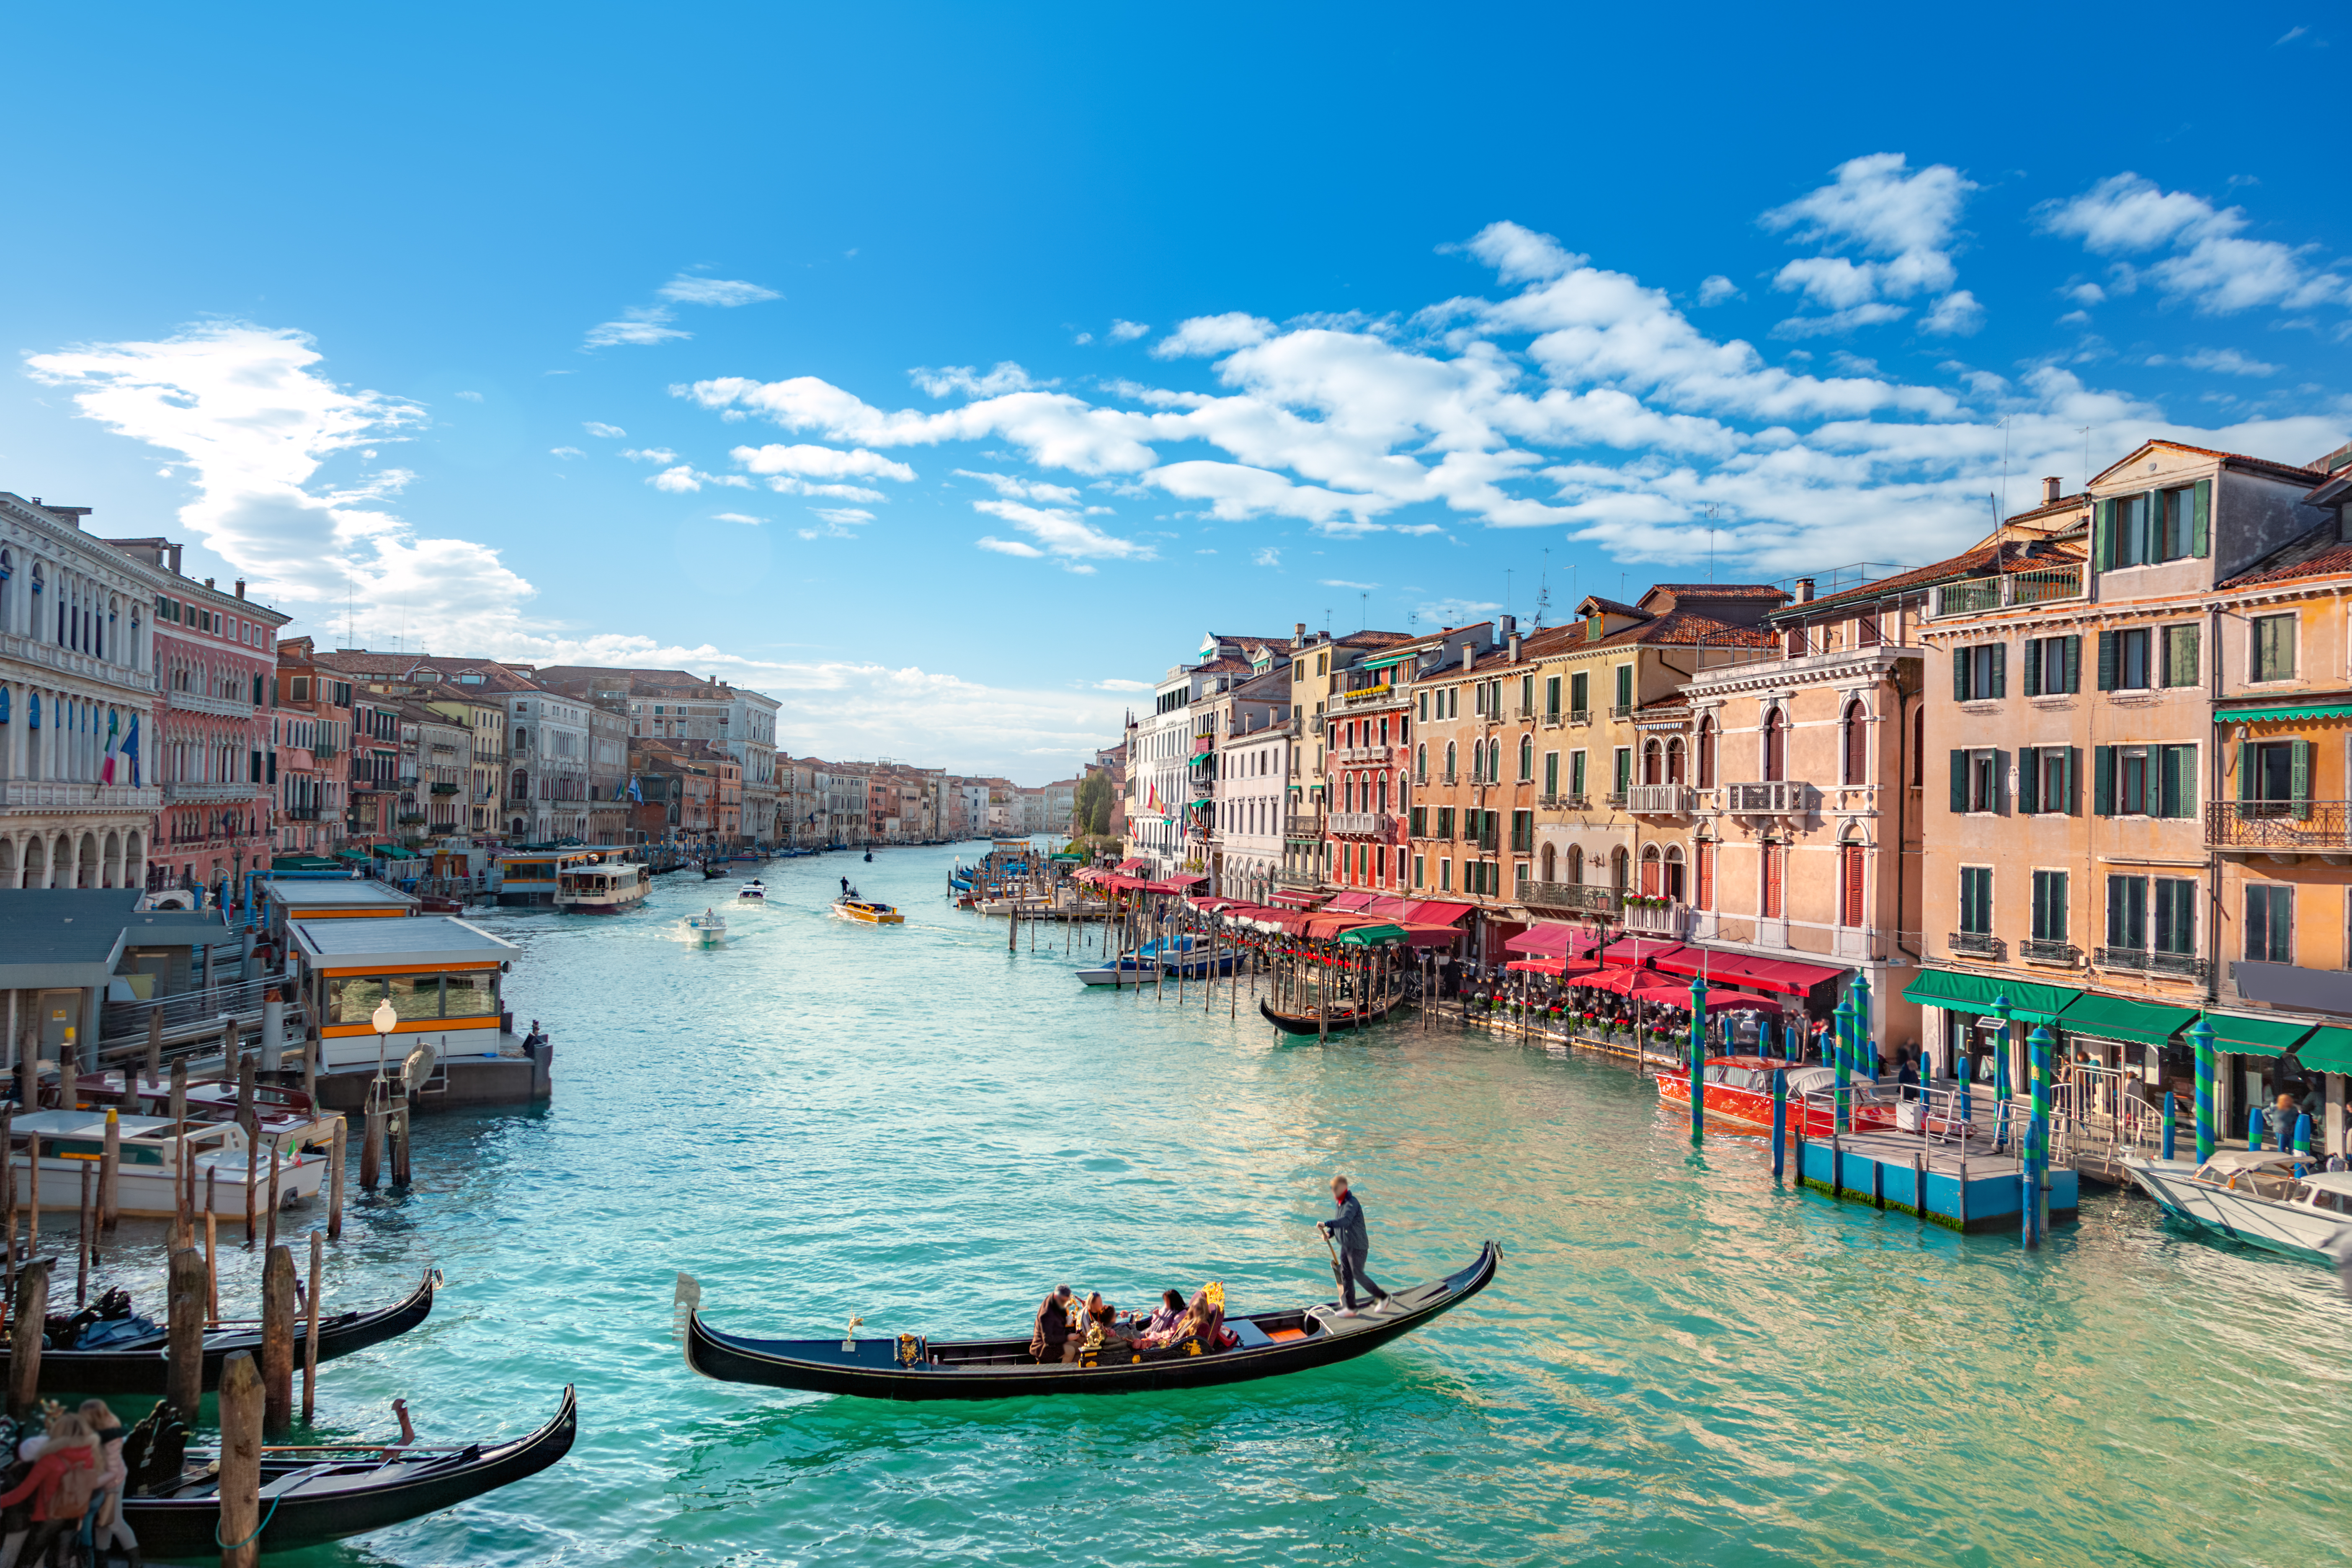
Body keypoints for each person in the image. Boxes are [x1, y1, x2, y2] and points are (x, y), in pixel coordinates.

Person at [0, 1412, 98, 1568]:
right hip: (72, 1518)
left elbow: (21, 1493)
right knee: (62, 1561)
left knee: (25, 1563)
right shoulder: (88, 1458)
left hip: (48, 1519)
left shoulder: (50, 1460)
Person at [78, 1399, 136, 1568]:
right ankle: (102, 1562)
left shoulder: (108, 1434)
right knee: (103, 1523)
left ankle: (136, 1563)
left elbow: (110, 1465)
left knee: (115, 1523)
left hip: (113, 1481)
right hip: (109, 1478)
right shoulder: (105, 1427)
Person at [1319, 1176, 1389, 1313]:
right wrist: (1329, 1233)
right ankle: (1350, 1308)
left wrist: (1327, 1223)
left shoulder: (1352, 1203)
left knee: (1357, 1274)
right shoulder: (1341, 1204)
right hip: (1347, 1246)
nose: (1334, 1194)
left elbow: (1346, 1221)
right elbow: (1339, 1223)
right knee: (1346, 1275)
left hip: (1359, 1247)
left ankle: (1383, 1298)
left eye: (1336, 1191)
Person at [1028, 1285, 1078, 1365]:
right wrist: (1067, 1338)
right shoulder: (1046, 1313)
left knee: (1079, 1347)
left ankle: (1074, 1368)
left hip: (1054, 1343)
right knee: (1071, 1350)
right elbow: (1048, 1339)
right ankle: (1063, 1374)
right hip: (1044, 1348)